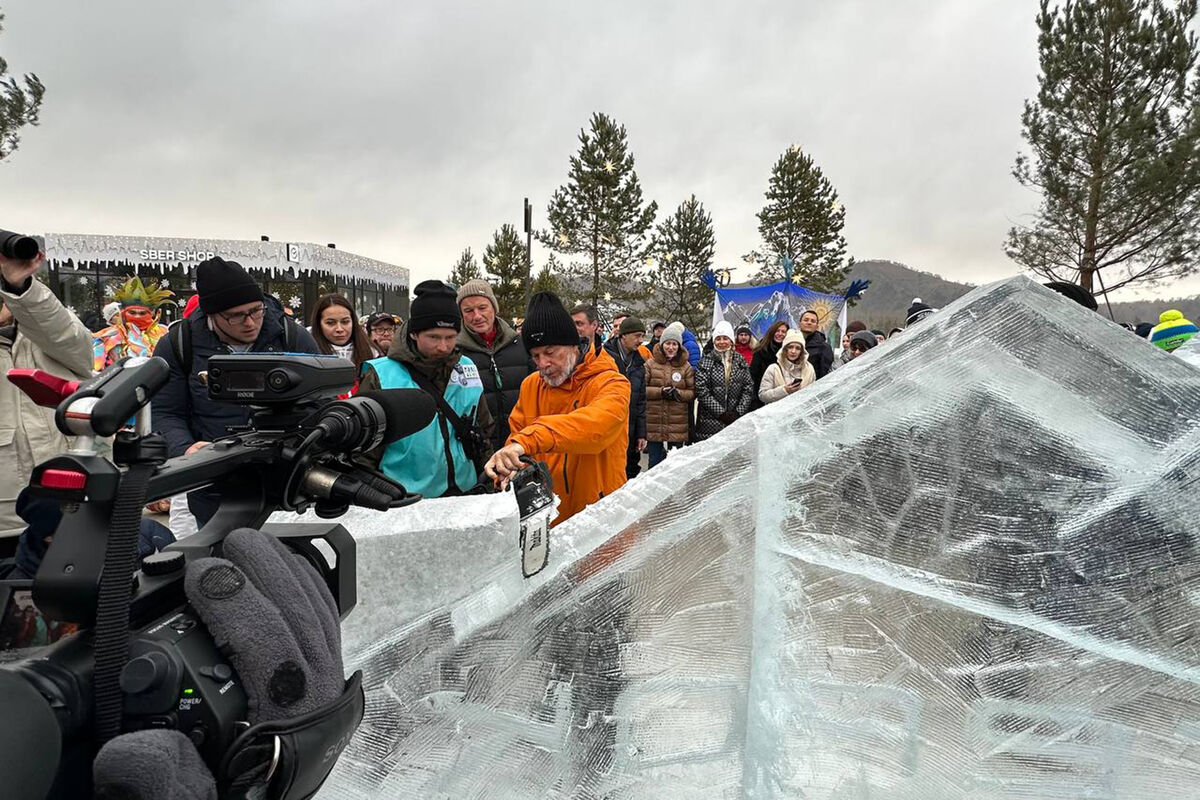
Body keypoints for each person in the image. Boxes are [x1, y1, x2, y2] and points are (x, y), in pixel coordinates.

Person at [151, 256, 318, 527]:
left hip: (286, 481)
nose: (251, 322)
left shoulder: (292, 336)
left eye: (256, 310)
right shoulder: (178, 345)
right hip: (214, 488)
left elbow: (322, 402)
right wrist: (186, 448)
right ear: (211, 315)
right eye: (236, 316)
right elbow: (163, 410)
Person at [484, 291, 630, 527]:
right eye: (535, 356)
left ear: (573, 345)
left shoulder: (612, 383)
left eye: (550, 352)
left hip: (598, 519)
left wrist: (528, 439)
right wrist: (510, 467)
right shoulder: (531, 385)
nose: (543, 364)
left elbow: (595, 427)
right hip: (544, 519)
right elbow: (518, 438)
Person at [357, 280, 494, 497]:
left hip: (465, 493)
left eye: (450, 338)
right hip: (405, 499)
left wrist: (487, 483)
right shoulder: (380, 374)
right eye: (433, 337)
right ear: (414, 334)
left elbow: (484, 428)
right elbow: (364, 451)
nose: (443, 346)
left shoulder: (467, 367)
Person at [0, 247, 94, 551]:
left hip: (72, 506)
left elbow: (73, 343)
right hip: (6, 519)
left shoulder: (48, 334)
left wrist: (21, 287)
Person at [456, 279, 531, 451]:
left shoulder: (520, 345)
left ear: (494, 308)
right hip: (479, 450)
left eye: (482, 308)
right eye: (468, 310)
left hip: (521, 443)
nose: (477, 316)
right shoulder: (455, 353)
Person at [92, 277, 174, 370]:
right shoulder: (108, 336)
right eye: (132, 313)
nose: (137, 317)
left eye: (142, 313)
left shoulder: (164, 333)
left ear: (151, 314)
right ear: (123, 313)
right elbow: (96, 368)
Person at [643, 324, 694, 467]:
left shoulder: (686, 367)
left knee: (675, 465)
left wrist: (678, 394)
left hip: (677, 422)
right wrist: (660, 392)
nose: (671, 347)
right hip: (655, 422)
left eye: (674, 344)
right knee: (654, 463)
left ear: (679, 346)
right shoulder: (650, 365)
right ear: (662, 344)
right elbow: (642, 390)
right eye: (667, 344)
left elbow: (692, 392)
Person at [604, 316, 648, 478]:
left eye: (643, 336)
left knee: (630, 471)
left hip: (630, 430)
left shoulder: (639, 364)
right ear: (623, 336)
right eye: (637, 336)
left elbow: (641, 402)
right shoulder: (604, 358)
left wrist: (641, 434)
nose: (641, 340)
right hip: (609, 429)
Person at [694, 321, 754, 442]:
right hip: (709, 422)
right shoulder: (706, 361)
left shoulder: (740, 360)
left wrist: (738, 412)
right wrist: (721, 413)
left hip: (735, 419)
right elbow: (702, 390)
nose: (722, 342)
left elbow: (748, 388)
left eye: (725, 338)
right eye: (718, 339)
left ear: (731, 340)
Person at [310, 293, 373, 371]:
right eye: (330, 323)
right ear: (318, 325)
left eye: (345, 322)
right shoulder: (307, 353)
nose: (339, 329)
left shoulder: (372, 351)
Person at [758, 329, 816, 405]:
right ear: (785, 349)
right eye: (790, 347)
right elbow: (763, 395)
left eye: (797, 348)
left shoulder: (809, 370)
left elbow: (814, 394)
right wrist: (784, 390)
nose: (793, 351)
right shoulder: (774, 369)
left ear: (802, 351)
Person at [749, 320, 789, 409]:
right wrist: (754, 400)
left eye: (783, 332)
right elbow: (753, 377)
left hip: (783, 398)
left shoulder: (790, 353)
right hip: (761, 398)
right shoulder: (760, 351)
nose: (780, 334)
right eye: (777, 331)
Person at [798, 309, 835, 379]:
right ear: (799, 324)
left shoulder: (824, 347)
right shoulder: (790, 343)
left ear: (817, 326)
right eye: (806, 320)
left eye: (813, 321)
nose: (809, 323)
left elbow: (825, 375)